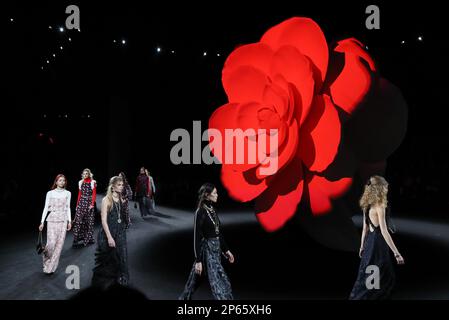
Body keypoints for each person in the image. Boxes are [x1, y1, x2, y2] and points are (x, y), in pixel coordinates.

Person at [349, 175, 405, 300]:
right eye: (385, 187)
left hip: (370, 243)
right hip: (378, 244)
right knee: (381, 275)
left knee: (370, 272)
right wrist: (397, 253)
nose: (387, 189)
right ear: (380, 189)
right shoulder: (380, 207)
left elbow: (365, 228)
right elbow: (384, 231)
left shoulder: (367, 206)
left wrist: (362, 246)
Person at [179, 183, 234, 300]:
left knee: (194, 281)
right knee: (220, 282)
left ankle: (184, 299)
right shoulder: (200, 212)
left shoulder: (212, 210)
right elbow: (196, 237)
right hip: (207, 251)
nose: (217, 195)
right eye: (214, 193)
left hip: (216, 250)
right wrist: (198, 260)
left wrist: (226, 250)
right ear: (207, 195)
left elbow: (218, 232)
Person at [91, 176, 129, 289]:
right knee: (108, 260)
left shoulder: (122, 198)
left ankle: (122, 281)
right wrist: (109, 237)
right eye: (119, 185)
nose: (121, 187)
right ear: (112, 187)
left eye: (122, 185)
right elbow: (103, 221)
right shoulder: (106, 200)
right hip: (109, 233)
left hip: (120, 232)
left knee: (122, 256)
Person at [39, 174, 72, 274]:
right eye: (60, 180)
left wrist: (69, 221)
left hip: (63, 220)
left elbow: (68, 207)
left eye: (63, 180)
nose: (62, 182)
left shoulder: (68, 193)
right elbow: (45, 208)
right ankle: (46, 259)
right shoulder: (50, 193)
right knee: (51, 244)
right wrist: (42, 222)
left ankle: (50, 268)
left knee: (59, 245)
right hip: (52, 220)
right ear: (56, 182)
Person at [72, 168, 97, 247]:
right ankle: (76, 239)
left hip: (89, 202)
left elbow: (94, 194)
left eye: (86, 174)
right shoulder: (80, 182)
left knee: (88, 221)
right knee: (79, 221)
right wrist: (77, 205)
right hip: (82, 202)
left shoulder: (93, 182)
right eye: (84, 174)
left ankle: (89, 239)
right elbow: (79, 194)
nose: (85, 175)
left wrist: (92, 204)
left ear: (89, 174)